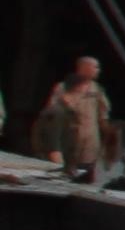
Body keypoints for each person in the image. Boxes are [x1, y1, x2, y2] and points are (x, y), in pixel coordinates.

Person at [30, 55, 113, 186]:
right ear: (84, 68)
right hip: (67, 140)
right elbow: (51, 117)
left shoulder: (97, 90)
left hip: (90, 141)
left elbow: (103, 117)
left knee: (85, 174)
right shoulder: (63, 88)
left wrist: (108, 140)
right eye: (95, 67)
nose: (98, 70)